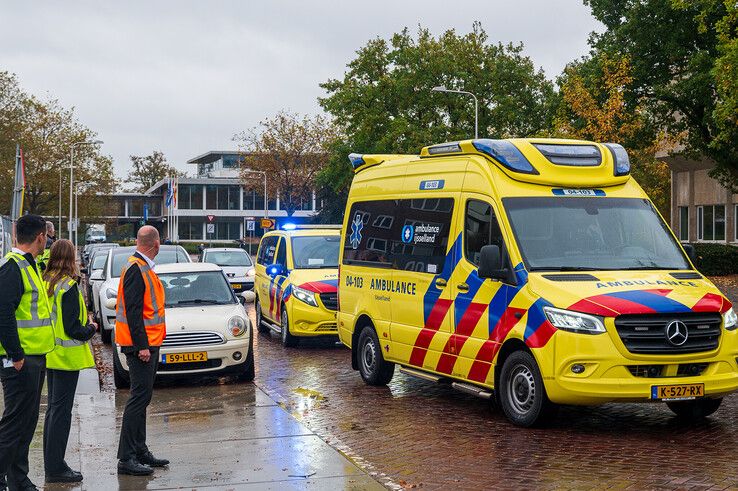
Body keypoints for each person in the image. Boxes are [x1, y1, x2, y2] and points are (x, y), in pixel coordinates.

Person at [0, 215, 55, 491]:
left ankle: (18, 480)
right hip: (21, 360)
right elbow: (3, 314)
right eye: (47, 237)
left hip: (34, 357)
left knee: (26, 422)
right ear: (40, 237)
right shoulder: (12, 268)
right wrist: (16, 354)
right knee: (14, 424)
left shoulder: (28, 265)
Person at [41, 239, 97, 484]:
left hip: (48, 354)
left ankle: (52, 463)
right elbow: (74, 328)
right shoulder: (68, 286)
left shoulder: (44, 281)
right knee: (61, 414)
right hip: (66, 358)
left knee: (53, 412)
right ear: (71, 257)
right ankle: (56, 468)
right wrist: (92, 328)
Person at [115, 226, 168, 476]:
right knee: (138, 399)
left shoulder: (141, 266)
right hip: (141, 346)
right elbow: (134, 311)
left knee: (142, 398)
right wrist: (142, 346)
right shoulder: (137, 268)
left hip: (148, 343)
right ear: (156, 245)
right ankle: (126, 458)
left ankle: (139, 450)